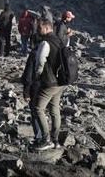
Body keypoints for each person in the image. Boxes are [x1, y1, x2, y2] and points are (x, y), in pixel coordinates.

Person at [31, 19, 66, 151]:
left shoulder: (45, 42)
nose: (38, 31)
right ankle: (55, 139)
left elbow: (40, 60)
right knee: (54, 109)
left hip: (50, 82)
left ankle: (46, 139)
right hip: (61, 81)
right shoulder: (59, 40)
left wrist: (37, 74)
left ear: (46, 28)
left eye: (39, 28)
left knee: (38, 108)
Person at [20, 43, 43, 146]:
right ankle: (52, 139)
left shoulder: (34, 54)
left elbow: (28, 75)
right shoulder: (53, 49)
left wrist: (26, 92)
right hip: (51, 87)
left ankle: (40, 138)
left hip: (36, 87)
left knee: (35, 112)